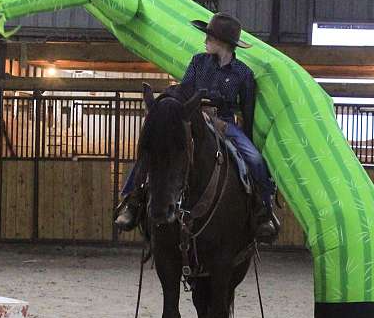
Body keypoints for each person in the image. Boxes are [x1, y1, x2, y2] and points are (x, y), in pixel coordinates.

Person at [115, 12, 279, 240]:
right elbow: (184, 90)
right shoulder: (198, 62)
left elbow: (248, 112)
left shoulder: (244, 74)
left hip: (225, 123)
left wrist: (247, 139)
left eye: (209, 37)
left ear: (222, 42)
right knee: (158, 149)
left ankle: (264, 210)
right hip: (194, 118)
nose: (205, 40)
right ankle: (132, 201)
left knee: (254, 159)